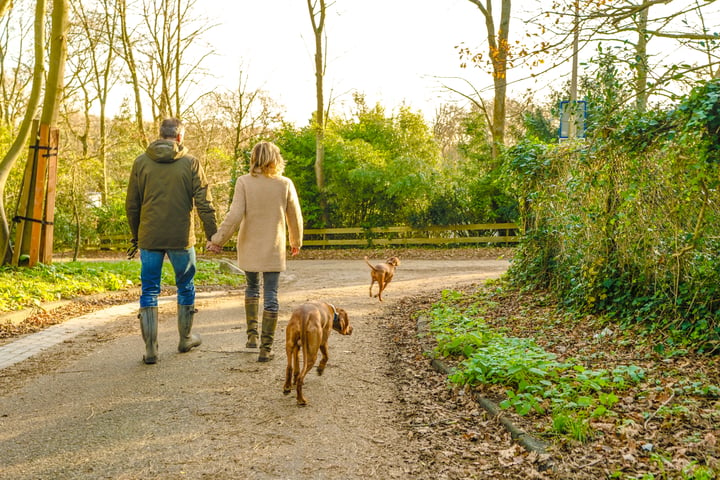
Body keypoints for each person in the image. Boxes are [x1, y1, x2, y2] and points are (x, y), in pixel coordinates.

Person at [125, 118, 217, 365]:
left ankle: (151, 348)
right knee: (185, 285)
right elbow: (204, 203)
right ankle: (185, 338)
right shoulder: (190, 163)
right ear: (179, 137)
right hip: (181, 238)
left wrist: (137, 235)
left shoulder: (141, 162)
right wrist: (213, 235)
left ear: (160, 135)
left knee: (149, 289)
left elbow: (132, 205)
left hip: (149, 236)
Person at [206, 141, 303, 362]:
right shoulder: (284, 183)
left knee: (251, 287)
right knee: (271, 295)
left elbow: (234, 214)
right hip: (274, 246)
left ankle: (252, 337)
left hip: (249, 244)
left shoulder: (244, 182)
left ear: (254, 159)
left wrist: (218, 240)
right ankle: (265, 348)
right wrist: (295, 241)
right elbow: (294, 216)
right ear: (276, 159)